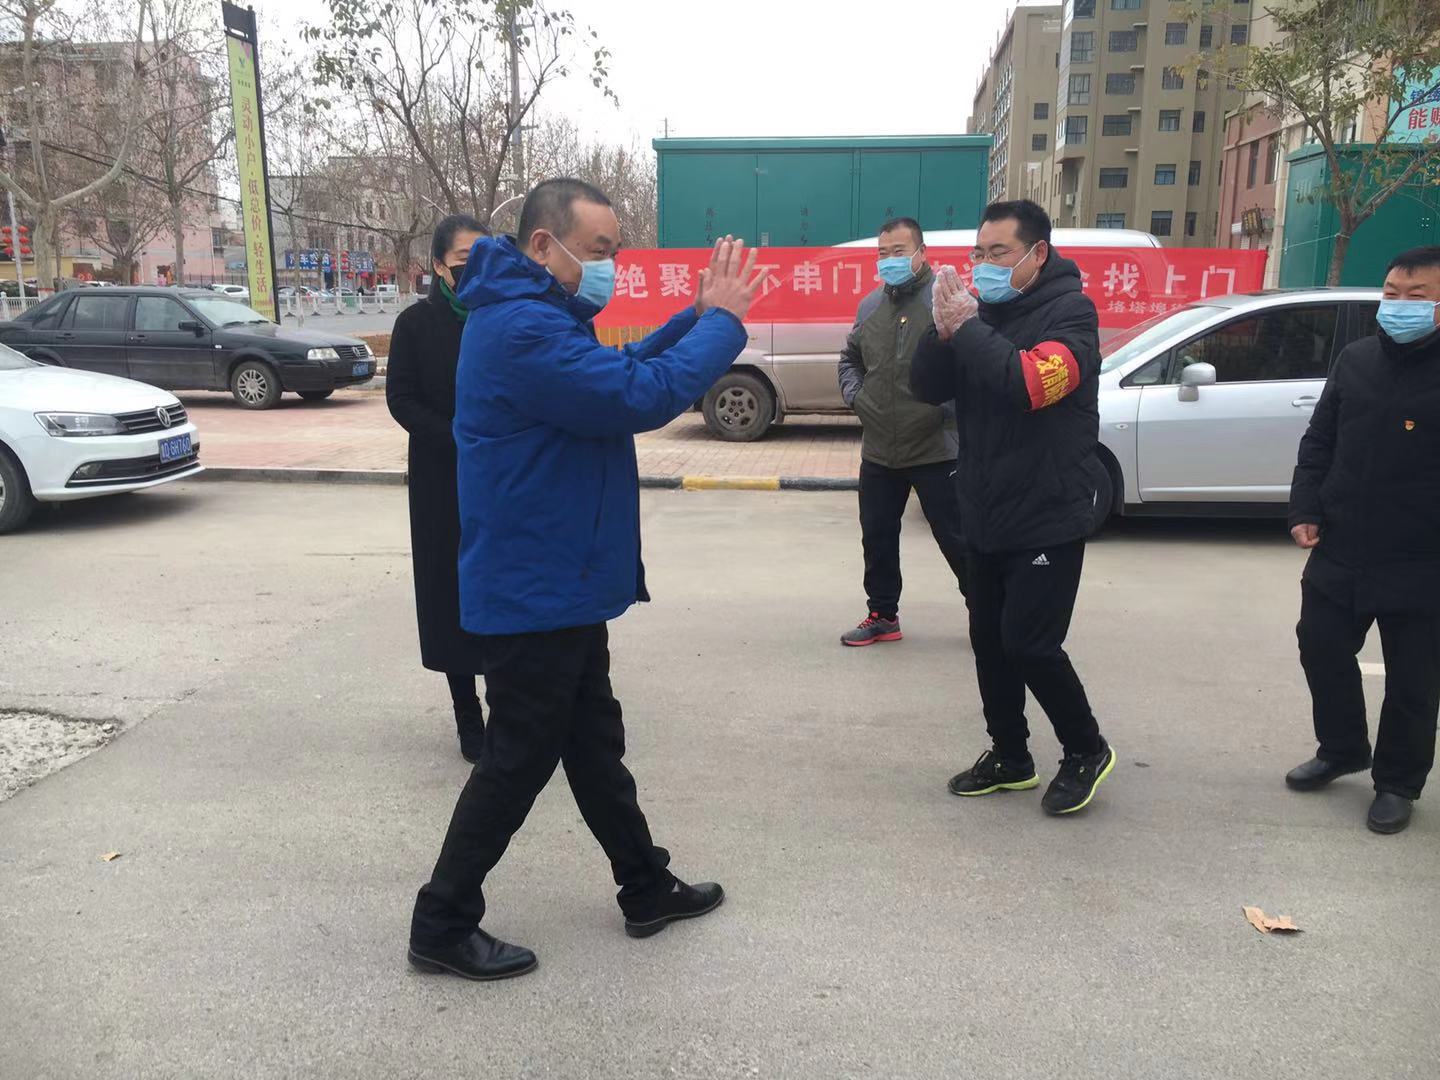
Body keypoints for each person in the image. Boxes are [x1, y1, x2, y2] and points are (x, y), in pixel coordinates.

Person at [407, 179, 765, 982]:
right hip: (535, 586)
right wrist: (725, 324)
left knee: (594, 745)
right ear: (544, 245)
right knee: (517, 758)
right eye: (599, 251)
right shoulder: (523, 328)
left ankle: (645, 886)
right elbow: (640, 394)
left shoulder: (536, 316)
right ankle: (441, 920)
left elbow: (621, 366)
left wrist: (696, 317)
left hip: (558, 581)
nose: (609, 267)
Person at [910, 199, 1115, 816]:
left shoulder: (1072, 313)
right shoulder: (982, 312)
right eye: (979, 252)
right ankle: (1010, 755)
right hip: (984, 506)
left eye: (998, 252)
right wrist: (940, 331)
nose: (985, 264)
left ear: (1037, 253)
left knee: (1030, 644)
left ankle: (1086, 749)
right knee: (989, 641)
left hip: (1047, 511)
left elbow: (1030, 384)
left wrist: (969, 328)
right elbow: (926, 388)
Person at [1284, 246, 1440, 835]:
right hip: (1344, 543)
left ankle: (1398, 782)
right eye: (1392, 294)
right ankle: (1343, 747)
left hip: (1422, 556)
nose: (1399, 305)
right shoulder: (1356, 359)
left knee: (1413, 680)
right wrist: (1305, 507)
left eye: (1416, 296)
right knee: (1319, 644)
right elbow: (1319, 439)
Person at [385, 214, 490, 763]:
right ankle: (467, 715)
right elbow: (401, 399)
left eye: (484, 260)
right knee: (449, 594)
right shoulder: (416, 325)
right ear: (439, 266)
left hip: (499, 479)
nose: (474, 271)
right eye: (464, 261)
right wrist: (457, 438)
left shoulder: (500, 317)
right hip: (441, 479)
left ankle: (508, 704)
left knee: (498, 590)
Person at [837, 217, 969, 647]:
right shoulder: (870, 307)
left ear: (921, 253)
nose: (889, 260)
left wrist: (944, 411)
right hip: (880, 448)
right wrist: (858, 398)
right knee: (877, 536)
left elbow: (974, 363)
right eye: (883, 253)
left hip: (937, 448)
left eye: (899, 251)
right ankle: (882, 615)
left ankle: (987, 612)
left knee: (957, 538)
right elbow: (849, 359)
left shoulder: (945, 301)